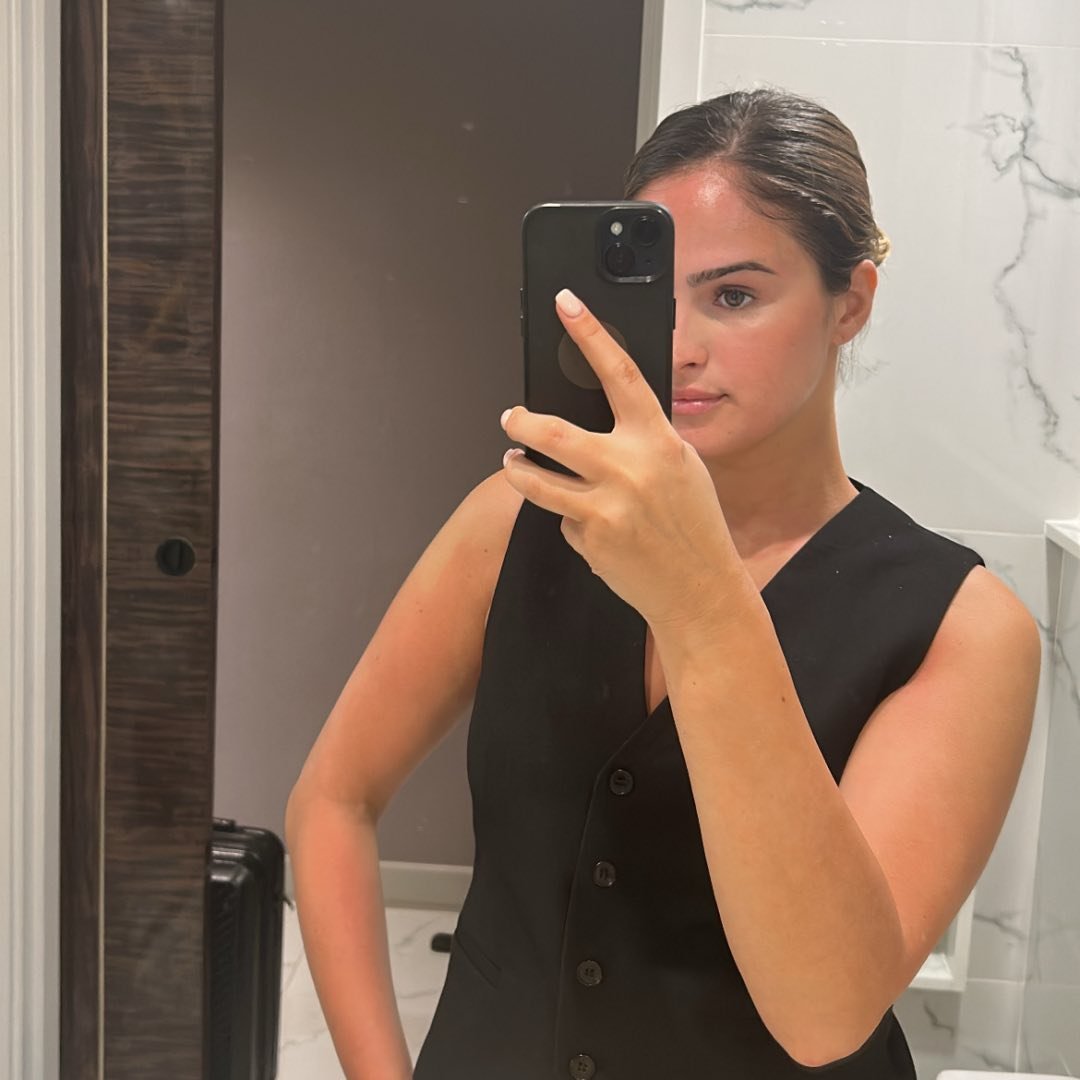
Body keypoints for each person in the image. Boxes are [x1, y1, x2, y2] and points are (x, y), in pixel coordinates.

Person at [284, 89, 1041, 1080]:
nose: (678, 344)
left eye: (735, 296)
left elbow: (826, 1015)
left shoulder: (958, 628)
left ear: (850, 303)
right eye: (654, 296)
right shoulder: (517, 520)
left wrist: (700, 597)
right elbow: (333, 799)